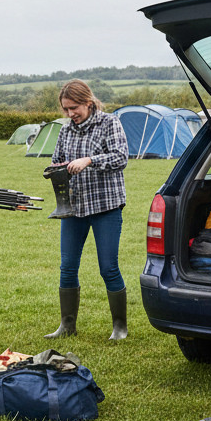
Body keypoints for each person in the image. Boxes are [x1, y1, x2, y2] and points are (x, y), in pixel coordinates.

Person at [45, 79, 130, 340]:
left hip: (106, 207)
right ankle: (67, 325)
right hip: (73, 209)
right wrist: (56, 169)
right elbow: (56, 160)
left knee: (108, 268)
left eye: (74, 108)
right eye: (66, 110)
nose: (70, 114)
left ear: (88, 103)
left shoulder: (110, 123)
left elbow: (121, 157)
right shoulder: (65, 130)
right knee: (67, 267)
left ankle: (119, 327)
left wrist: (89, 160)